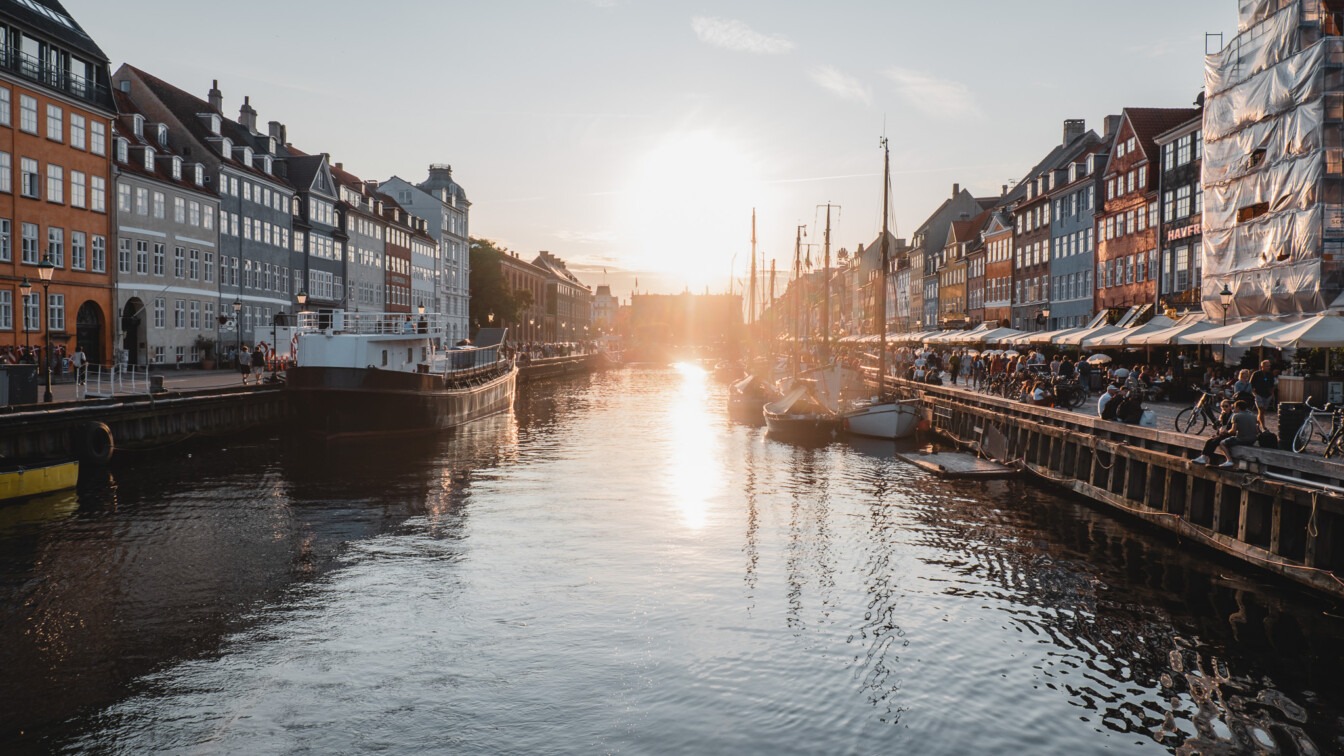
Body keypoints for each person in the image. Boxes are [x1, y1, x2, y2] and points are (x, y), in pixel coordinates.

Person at [1213, 400, 1261, 469]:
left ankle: (1229, 460)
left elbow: (1233, 431)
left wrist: (1226, 432)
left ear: (1238, 408)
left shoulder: (1236, 416)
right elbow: (1257, 431)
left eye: (1234, 407)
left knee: (1222, 443)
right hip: (1252, 440)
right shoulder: (1253, 416)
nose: (1234, 409)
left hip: (1242, 439)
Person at [1250, 360, 1276, 428]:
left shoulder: (1270, 374)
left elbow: (1272, 385)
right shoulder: (1256, 374)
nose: (1269, 367)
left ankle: (1258, 423)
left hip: (1267, 395)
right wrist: (1254, 393)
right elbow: (1251, 384)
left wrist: (1272, 394)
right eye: (1267, 366)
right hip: (1259, 394)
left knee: (1263, 412)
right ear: (1262, 366)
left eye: (1269, 366)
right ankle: (1263, 426)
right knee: (1261, 410)